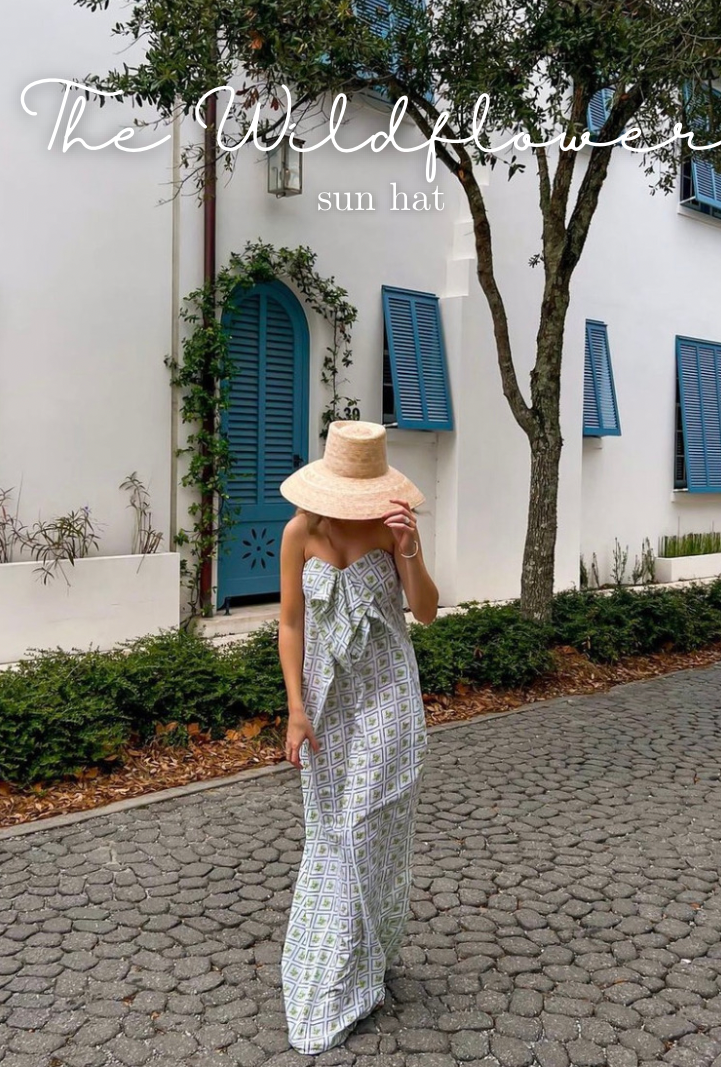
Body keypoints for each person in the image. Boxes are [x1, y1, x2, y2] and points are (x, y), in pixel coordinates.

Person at [276, 420, 439, 1055]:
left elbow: (425, 610)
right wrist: (294, 708)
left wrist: (413, 550)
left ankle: (338, 983)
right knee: (335, 831)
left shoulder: (393, 528)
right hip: (325, 708)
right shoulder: (299, 533)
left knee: (365, 827)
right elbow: (290, 624)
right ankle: (353, 962)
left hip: (387, 700)